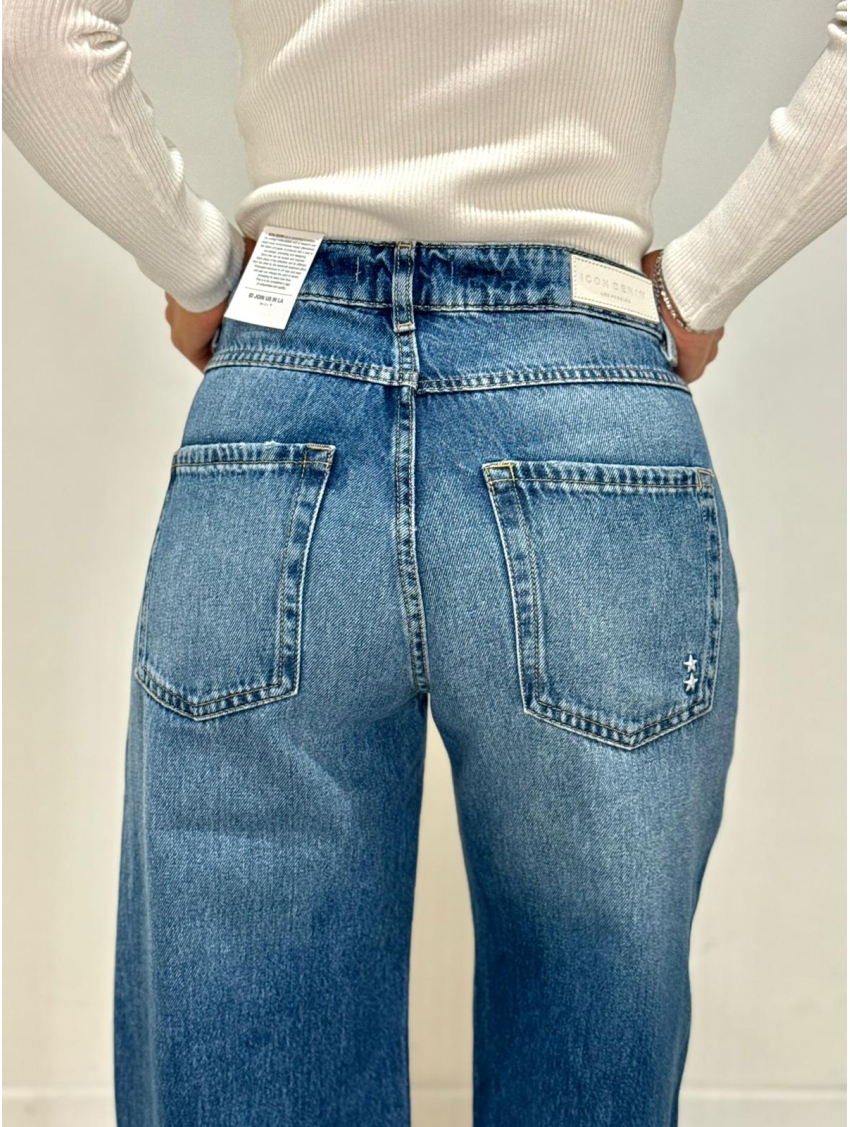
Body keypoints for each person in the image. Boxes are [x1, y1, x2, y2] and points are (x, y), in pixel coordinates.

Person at [3, 1, 846, 1124]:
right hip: (583, 401)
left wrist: (202, 269)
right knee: (590, 1041)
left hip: (284, 394)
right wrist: (706, 277)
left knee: (244, 1036)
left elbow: (37, 34)